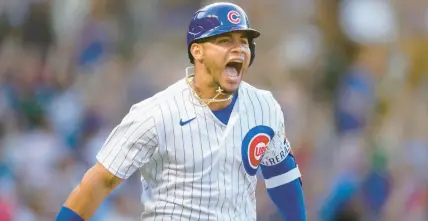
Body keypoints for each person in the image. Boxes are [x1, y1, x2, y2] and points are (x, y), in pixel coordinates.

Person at [55, 2, 306, 221]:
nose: (238, 48)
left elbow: (282, 177)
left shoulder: (264, 106)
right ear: (197, 51)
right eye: (225, 41)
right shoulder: (155, 113)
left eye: (243, 41)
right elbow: (98, 182)